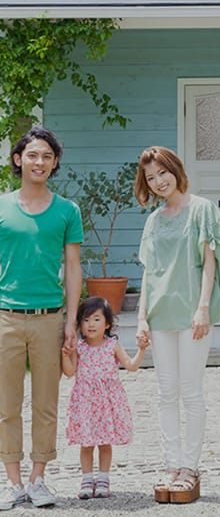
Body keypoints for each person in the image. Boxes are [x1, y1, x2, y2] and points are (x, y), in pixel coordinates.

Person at [134, 146, 220, 504]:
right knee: (165, 393)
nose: (159, 182)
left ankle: (190, 468)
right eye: (150, 177)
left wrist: (203, 308)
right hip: (160, 315)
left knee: (191, 392)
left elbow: (210, 263)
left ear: (175, 170)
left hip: (192, 313)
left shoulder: (202, 210)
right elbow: (149, 273)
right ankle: (172, 465)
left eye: (163, 173)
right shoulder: (154, 220)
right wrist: (142, 317)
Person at [0, 127, 83, 510]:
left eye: (47, 156)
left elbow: (73, 265)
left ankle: (38, 480)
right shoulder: (2, 206)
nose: (39, 162)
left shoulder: (67, 211)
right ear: (18, 160)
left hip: (50, 318)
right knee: (6, 405)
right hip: (6, 318)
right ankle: (12, 483)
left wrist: (70, 321)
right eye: (32, 155)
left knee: (46, 403)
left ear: (54, 163)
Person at [62, 296, 146, 500]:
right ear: (80, 324)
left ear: (107, 323)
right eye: (86, 319)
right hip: (85, 402)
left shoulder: (112, 345)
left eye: (97, 319)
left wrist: (142, 349)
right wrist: (66, 354)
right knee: (86, 443)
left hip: (106, 403)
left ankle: (103, 478)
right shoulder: (80, 347)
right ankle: (86, 478)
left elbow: (131, 366)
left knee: (105, 442)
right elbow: (70, 371)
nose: (91, 324)